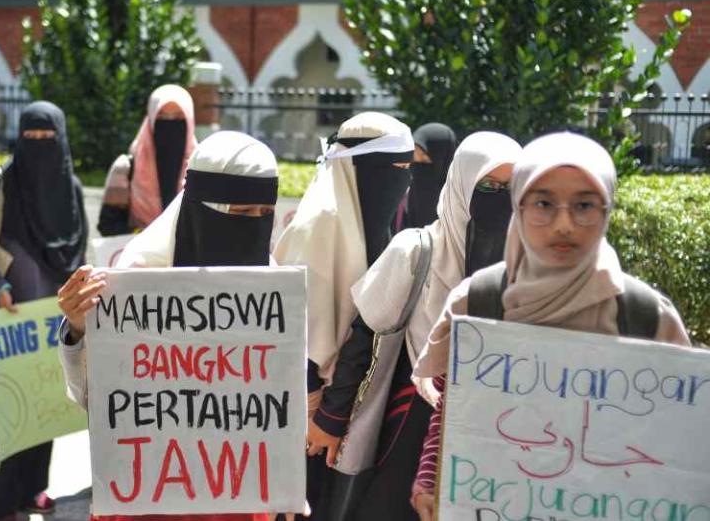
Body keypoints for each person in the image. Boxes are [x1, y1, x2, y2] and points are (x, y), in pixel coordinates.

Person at [409, 132, 691, 521]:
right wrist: (430, 480)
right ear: (519, 206)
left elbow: (680, 438)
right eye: (543, 203)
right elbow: (453, 409)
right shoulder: (478, 301)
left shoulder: (644, 316)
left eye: (585, 205)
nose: (564, 224)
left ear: (607, 210)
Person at [55, 130, 279, 521]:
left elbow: (275, 401)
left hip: (234, 490)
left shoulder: (273, 285)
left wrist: (284, 482)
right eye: (241, 214)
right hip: (150, 489)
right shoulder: (137, 278)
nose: (254, 226)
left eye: (264, 214)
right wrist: (78, 328)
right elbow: (93, 399)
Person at [306, 132, 521, 521]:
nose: (499, 198)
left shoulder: (526, 268)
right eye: (488, 186)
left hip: (491, 431)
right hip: (406, 424)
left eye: (511, 188)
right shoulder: (416, 250)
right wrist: (331, 419)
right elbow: (364, 335)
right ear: (461, 187)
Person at [270, 112, 414, 518]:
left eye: (407, 170)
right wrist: (325, 415)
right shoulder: (319, 226)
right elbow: (296, 335)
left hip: (354, 404)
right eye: (394, 169)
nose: (402, 181)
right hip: (311, 416)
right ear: (362, 170)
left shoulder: (375, 223)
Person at [0, 102, 89, 520]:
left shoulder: (69, 187)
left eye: (47, 138)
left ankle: (33, 489)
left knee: (48, 404)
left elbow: (77, 250)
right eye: (30, 138)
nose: (39, 146)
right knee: (18, 413)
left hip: (55, 320)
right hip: (12, 320)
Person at [98, 84, 197, 236]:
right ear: (150, 119)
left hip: (188, 258)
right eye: (161, 117)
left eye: (178, 117)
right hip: (140, 257)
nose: (170, 124)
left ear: (190, 121)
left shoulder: (202, 168)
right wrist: (146, 236)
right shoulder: (126, 168)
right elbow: (108, 225)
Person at [400, 123, 458, 230]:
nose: (417, 164)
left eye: (424, 158)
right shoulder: (402, 198)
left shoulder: (460, 203)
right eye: (414, 156)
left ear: (443, 158)